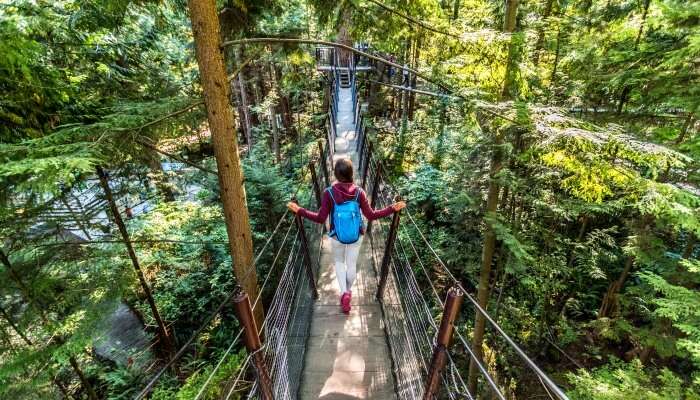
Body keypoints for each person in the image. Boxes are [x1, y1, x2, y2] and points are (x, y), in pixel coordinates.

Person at [287, 158, 405, 314]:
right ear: (351, 173)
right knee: (351, 264)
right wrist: (392, 208)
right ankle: (348, 292)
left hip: (337, 235)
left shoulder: (329, 193)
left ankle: (344, 293)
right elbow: (371, 215)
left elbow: (320, 218)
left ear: (336, 174)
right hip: (356, 235)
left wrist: (299, 210)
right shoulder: (359, 192)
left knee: (338, 262)